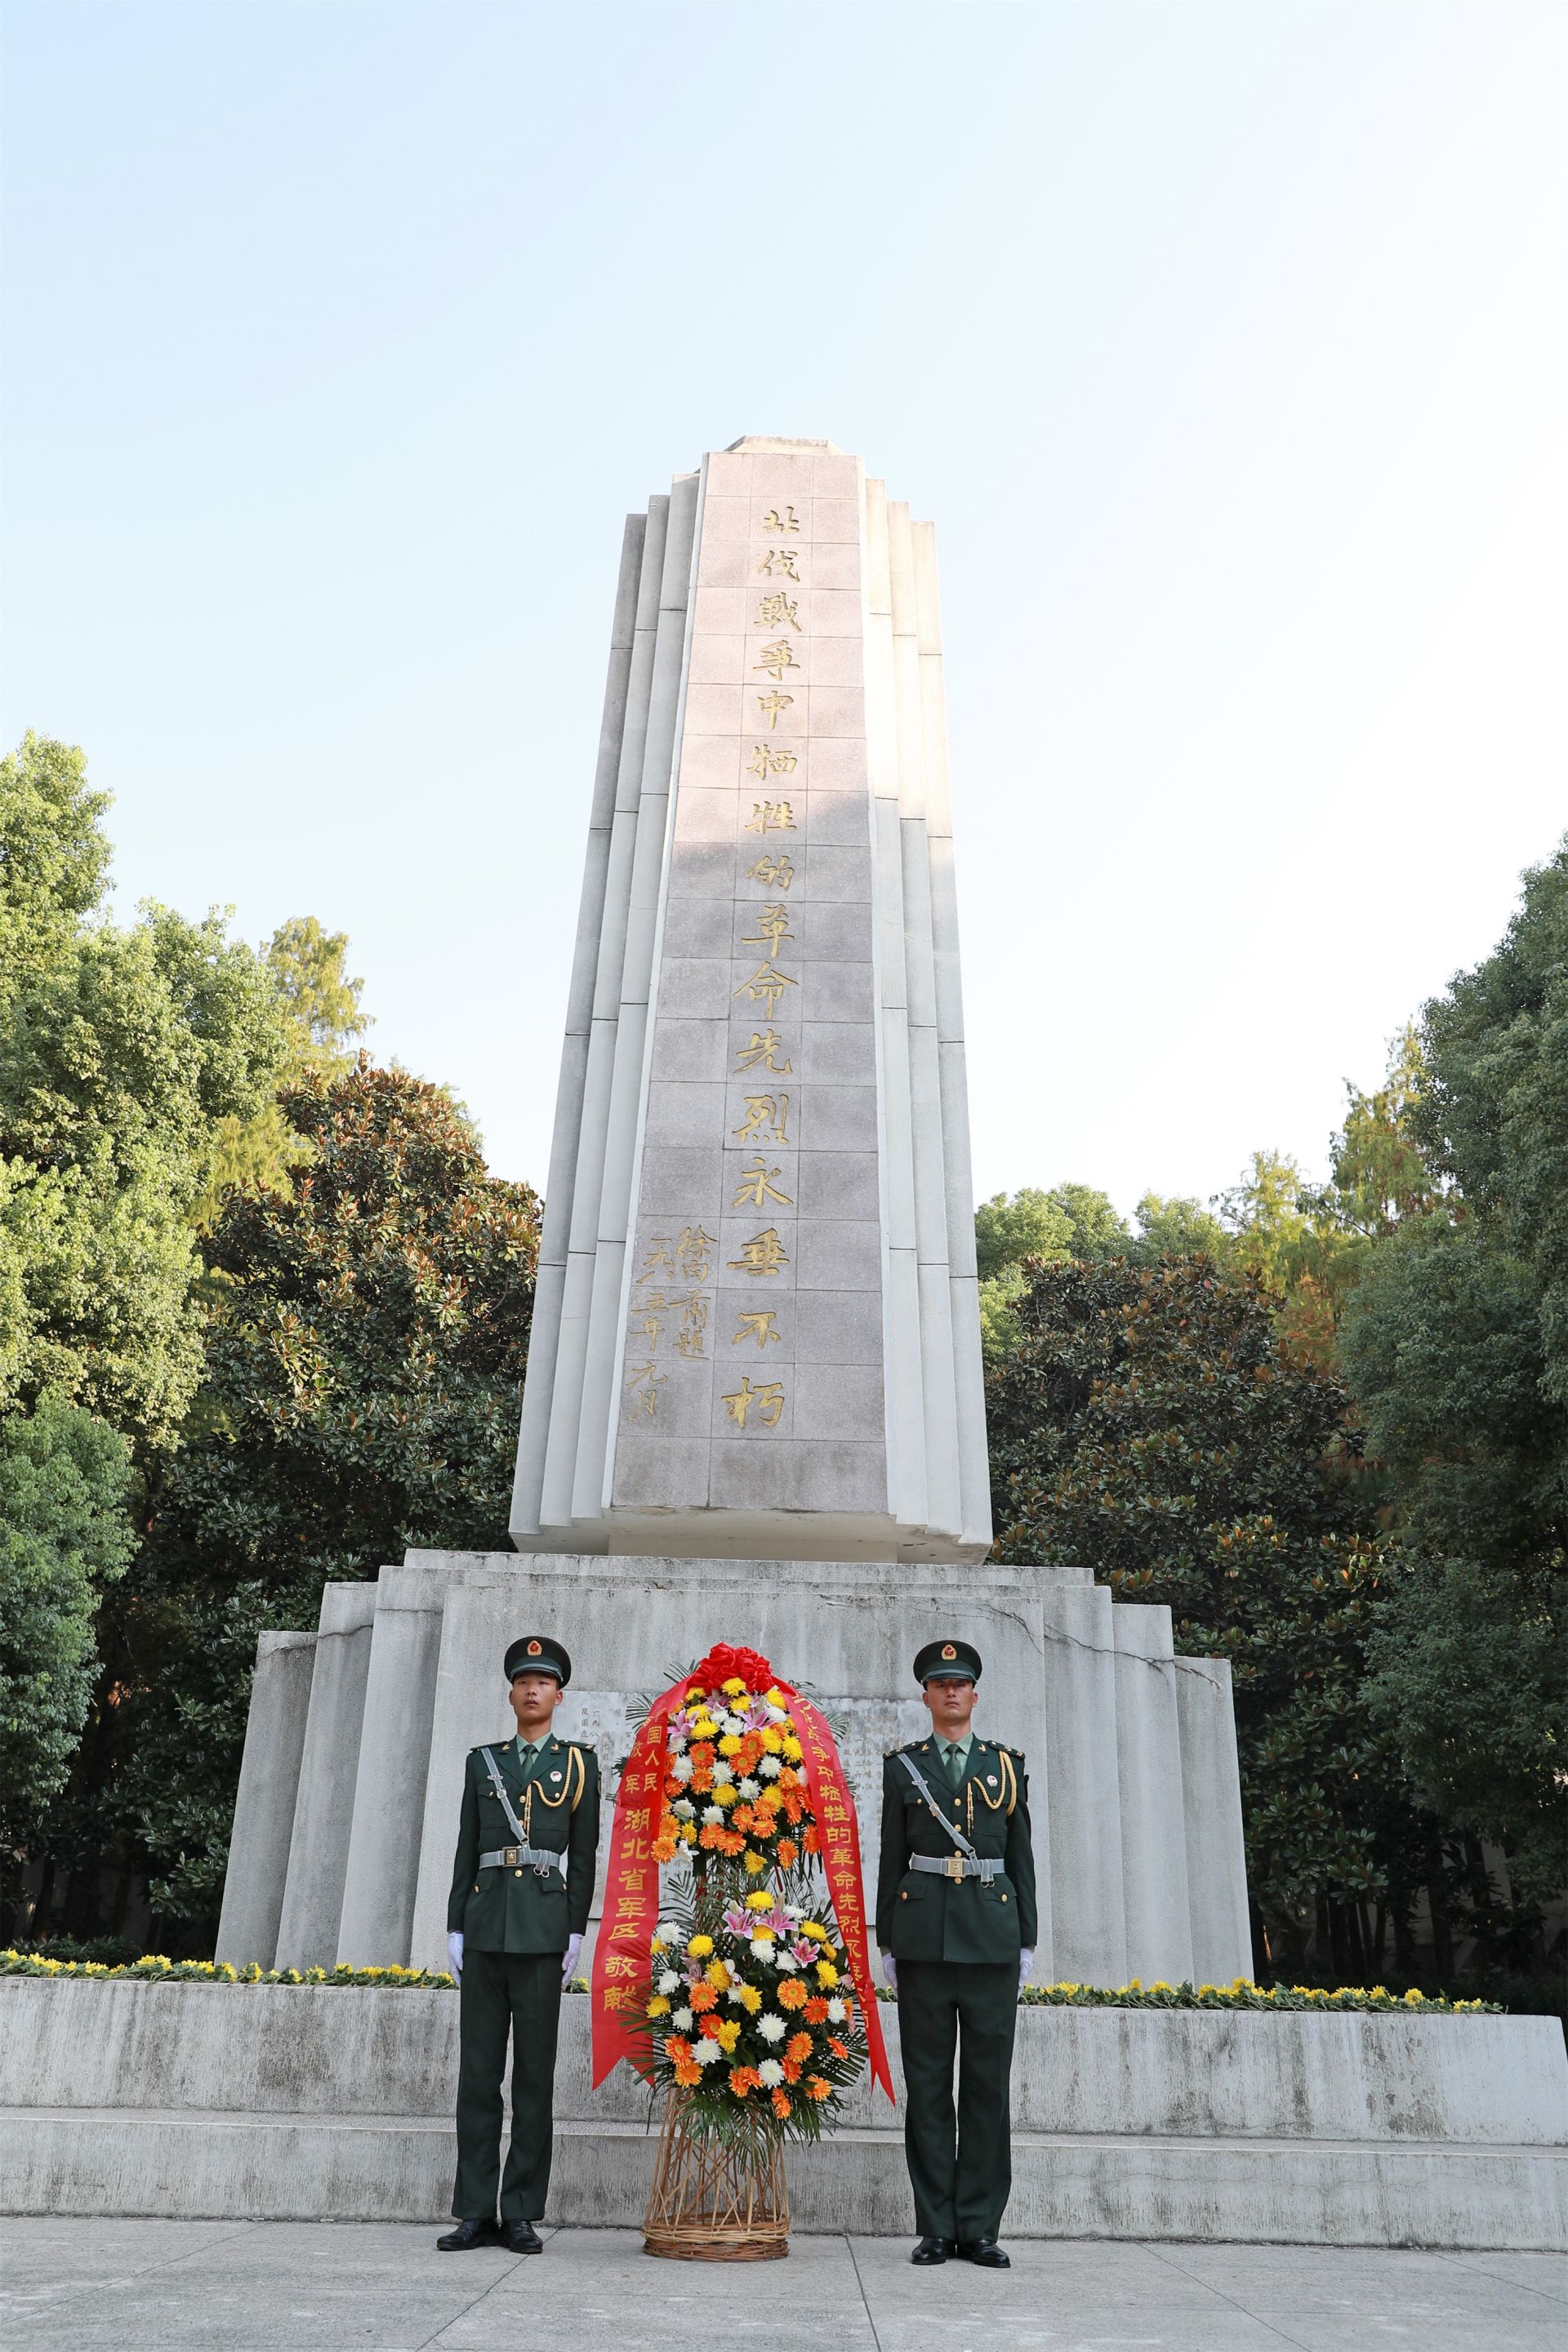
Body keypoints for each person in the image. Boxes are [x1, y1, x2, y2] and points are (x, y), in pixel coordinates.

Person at [875, 1637, 1037, 2269]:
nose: (951, 1692)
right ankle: (937, 2226)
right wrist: (888, 1939)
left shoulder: (1006, 1766)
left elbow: (1021, 1859)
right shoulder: (903, 1767)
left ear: (974, 1694)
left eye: (960, 1684)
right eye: (940, 1684)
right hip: (924, 1942)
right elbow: (891, 1856)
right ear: (926, 1697)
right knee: (928, 2088)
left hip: (992, 1942)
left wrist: (1027, 1939)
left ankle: (980, 2227)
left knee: (986, 2089)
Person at [439, 1633, 600, 2254]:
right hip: (485, 1928)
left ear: (559, 1696)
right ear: (511, 1694)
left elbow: (582, 1858)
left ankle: (522, 2210)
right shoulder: (483, 1762)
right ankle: (476, 2211)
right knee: (478, 2077)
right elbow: (465, 1847)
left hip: (541, 1933)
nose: (533, 1690)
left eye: (544, 1682)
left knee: (534, 2079)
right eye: (524, 1681)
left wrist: (574, 1929)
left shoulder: (578, 1764)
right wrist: (455, 1924)